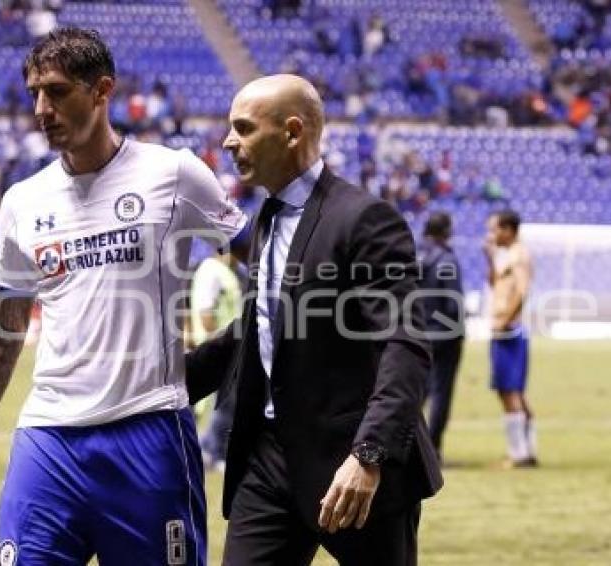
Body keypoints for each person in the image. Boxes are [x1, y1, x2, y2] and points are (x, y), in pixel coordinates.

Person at [0, 28, 247, 566]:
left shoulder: (173, 175)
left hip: (148, 432)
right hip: (48, 439)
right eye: (34, 92)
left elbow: (259, 252)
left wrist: (245, 343)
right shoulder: (23, 202)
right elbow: (5, 330)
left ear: (102, 90)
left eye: (57, 92)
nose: (41, 108)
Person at [186, 74, 442, 566]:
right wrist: (165, 383)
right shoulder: (267, 216)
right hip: (267, 464)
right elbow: (258, 329)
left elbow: (405, 342)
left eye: (243, 128)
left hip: (352, 465)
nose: (228, 141)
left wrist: (370, 456)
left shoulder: (365, 218)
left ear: (292, 132)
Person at [483, 209, 538, 468]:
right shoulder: (507, 256)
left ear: (509, 230)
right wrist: (491, 257)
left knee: (508, 392)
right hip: (507, 330)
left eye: (495, 229)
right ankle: (527, 450)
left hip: (509, 331)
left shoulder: (519, 256)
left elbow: (523, 290)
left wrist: (505, 320)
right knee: (515, 391)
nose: (491, 234)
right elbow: (496, 285)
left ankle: (519, 454)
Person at [189, 252, 244, 471]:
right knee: (224, 403)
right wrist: (216, 339)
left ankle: (213, 449)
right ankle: (210, 449)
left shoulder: (229, 272)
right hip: (216, 347)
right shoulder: (211, 270)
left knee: (224, 403)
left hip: (230, 346)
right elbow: (205, 310)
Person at [417, 211, 464, 461]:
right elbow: (454, 306)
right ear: (447, 230)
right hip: (445, 338)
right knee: (440, 394)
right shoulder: (446, 260)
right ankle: (433, 450)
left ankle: (409, 448)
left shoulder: (415, 255)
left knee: (417, 394)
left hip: (419, 334)